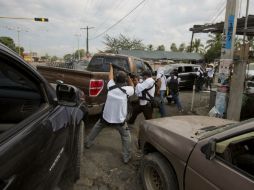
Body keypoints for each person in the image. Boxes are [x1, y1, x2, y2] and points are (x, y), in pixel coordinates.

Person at [85, 63, 134, 164]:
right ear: (124, 81)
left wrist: (111, 67)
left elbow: (110, 76)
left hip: (106, 117)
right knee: (126, 137)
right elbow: (133, 86)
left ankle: (87, 143)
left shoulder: (110, 86)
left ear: (115, 79)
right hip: (119, 120)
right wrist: (129, 77)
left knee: (97, 127)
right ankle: (126, 157)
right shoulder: (128, 90)